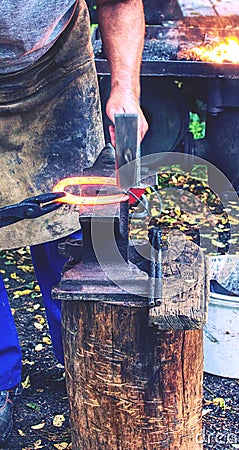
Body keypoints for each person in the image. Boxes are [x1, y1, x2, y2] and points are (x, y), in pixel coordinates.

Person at [0, 0, 148, 444]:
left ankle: (85, 358)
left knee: (67, 227)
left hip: (54, 73)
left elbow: (120, 3)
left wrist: (126, 89)